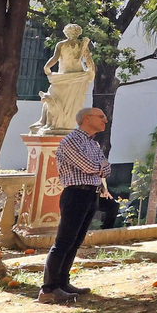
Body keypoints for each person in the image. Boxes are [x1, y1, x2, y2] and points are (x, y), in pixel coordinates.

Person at [38, 107, 111, 303]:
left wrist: (99, 168)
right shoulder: (71, 141)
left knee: (74, 242)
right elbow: (91, 167)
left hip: (90, 194)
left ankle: (62, 282)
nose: (105, 119)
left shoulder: (93, 144)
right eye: (101, 116)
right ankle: (48, 289)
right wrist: (99, 168)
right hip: (75, 194)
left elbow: (107, 169)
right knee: (63, 242)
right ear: (86, 119)